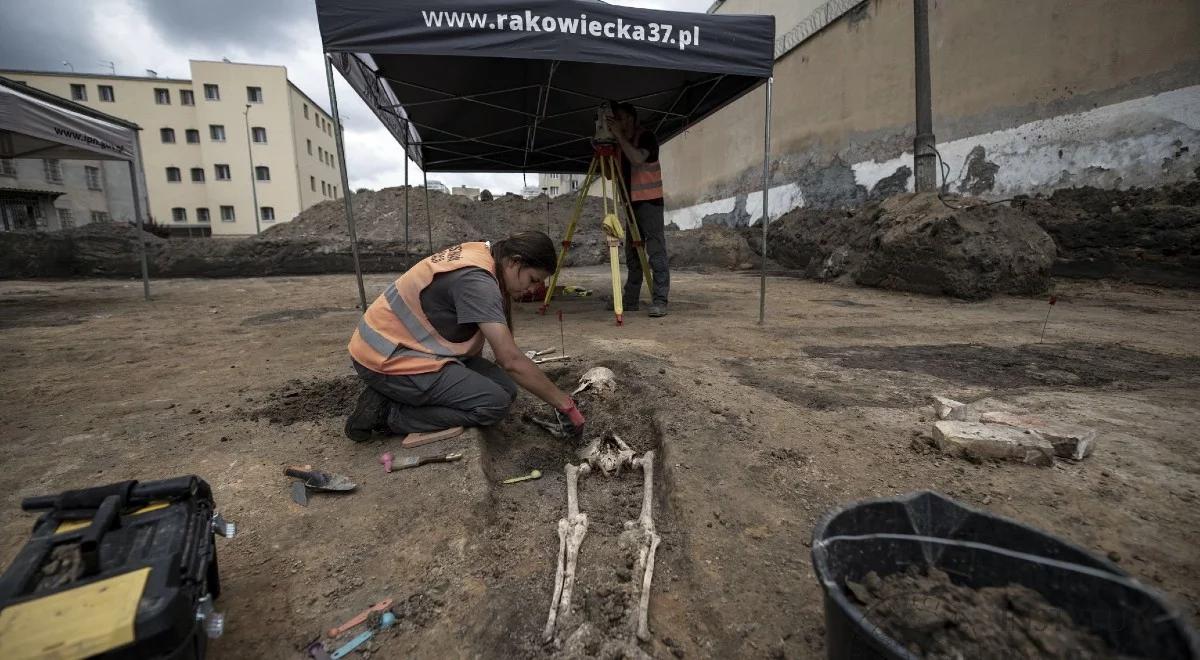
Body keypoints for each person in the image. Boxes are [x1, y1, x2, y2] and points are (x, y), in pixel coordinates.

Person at [344, 232, 585, 443]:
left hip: (414, 347)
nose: (534, 289)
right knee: (493, 404)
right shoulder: (477, 282)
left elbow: (503, 355)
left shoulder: (484, 254)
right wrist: (565, 404)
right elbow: (510, 360)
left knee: (506, 389)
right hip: (385, 356)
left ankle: (400, 398)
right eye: (533, 279)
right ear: (514, 261)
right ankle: (389, 414)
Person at [610, 102, 669, 318]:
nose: (620, 123)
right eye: (617, 119)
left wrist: (618, 137)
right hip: (631, 204)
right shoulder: (620, 145)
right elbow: (610, 175)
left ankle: (660, 300)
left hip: (649, 203)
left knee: (655, 252)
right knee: (633, 255)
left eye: (623, 118)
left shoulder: (646, 138)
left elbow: (637, 158)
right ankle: (630, 299)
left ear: (633, 119)